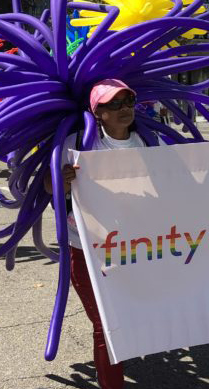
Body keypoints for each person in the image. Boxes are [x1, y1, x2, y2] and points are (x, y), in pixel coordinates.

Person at [51, 79, 143, 389]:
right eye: (114, 104)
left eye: (128, 101)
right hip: (85, 250)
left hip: (131, 249)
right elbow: (48, 188)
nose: (124, 109)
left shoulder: (144, 143)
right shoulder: (77, 143)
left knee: (123, 320)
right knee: (105, 324)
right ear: (97, 111)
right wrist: (61, 182)